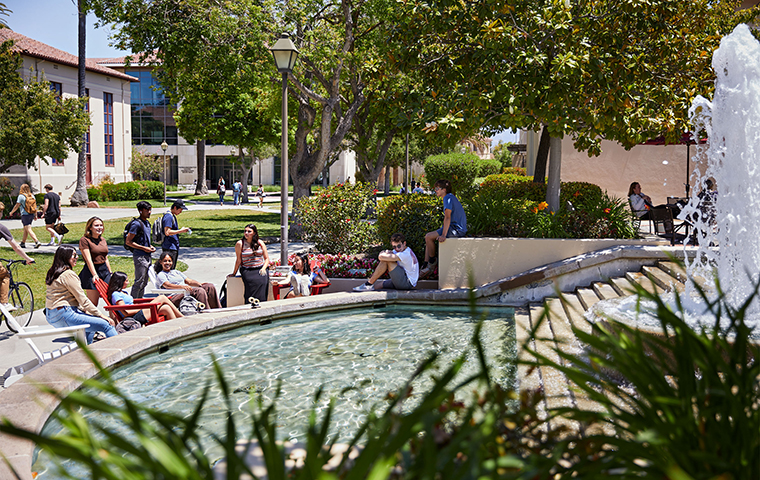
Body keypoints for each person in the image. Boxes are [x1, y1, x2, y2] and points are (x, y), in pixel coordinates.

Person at [45, 245, 117, 344]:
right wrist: (101, 315)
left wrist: (85, 311)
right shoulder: (68, 274)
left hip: (52, 315)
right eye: (73, 255)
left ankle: (87, 354)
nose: (77, 257)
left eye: (76, 255)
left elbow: (69, 297)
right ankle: (123, 354)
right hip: (65, 313)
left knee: (89, 328)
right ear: (65, 257)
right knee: (107, 325)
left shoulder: (54, 272)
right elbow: (83, 299)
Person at [420, 179, 467, 278]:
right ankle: (426, 263)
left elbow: (447, 217)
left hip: (456, 229)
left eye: (437, 188)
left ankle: (432, 264)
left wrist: (443, 235)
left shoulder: (448, 198)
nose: (435, 190)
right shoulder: (450, 197)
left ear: (444, 190)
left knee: (429, 237)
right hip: (453, 227)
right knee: (428, 237)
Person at [107, 271, 183, 324]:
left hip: (138, 312)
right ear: (120, 282)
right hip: (133, 318)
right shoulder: (116, 294)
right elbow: (126, 312)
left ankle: (176, 329)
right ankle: (182, 318)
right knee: (162, 297)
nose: (128, 282)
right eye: (126, 281)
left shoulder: (123, 292)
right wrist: (142, 307)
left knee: (166, 308)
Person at [353, 233, 419, 291]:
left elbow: (381, 257)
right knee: (377, 286)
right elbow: (388, 252)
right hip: (403, 278)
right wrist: (385, 253)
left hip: (406, 283)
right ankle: (368, 286)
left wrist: (383, 253)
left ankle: (369, 283)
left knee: (387, 261)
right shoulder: (402, 250)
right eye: (394, 246)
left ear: (404, 243)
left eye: (398, 246)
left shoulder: (405, 254)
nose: (397, 249)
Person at [0, 202, 35, 312]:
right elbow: (16, 247)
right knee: (5, 275)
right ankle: (4, 303)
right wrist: (27, 258)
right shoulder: (1, 228)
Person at [155, 252, 221, 309]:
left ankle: (217, 310)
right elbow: (167, 285)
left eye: (169, 261)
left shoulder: (176, 272)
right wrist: (182, 287)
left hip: (186, 292)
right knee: (199, 291)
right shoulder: (161, 274)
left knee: (209, 286)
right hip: (174, 297)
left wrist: (200, 284)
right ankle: (205, 311)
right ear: (160, 262)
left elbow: (189, 281)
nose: (167, 263)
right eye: (165, 261)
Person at [229, 224, 270, 304]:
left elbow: (266, 258)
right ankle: (250, 303)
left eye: (249, 231)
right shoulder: (240, 244)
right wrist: (234, 273)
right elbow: (238, 260)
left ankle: (262, 303)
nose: (246, 233)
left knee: (263, 281)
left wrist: (263, 268)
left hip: (260, 268)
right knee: (251, 284)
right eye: (245, 231)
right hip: (247, 269)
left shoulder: (260, 243)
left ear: (254, 233)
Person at [78, 216, 113, 306]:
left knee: (111, 300)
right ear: (90, 227)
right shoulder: (84, 240)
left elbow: (105, 257)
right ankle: (88, 319)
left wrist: (110, 273)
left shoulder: (102, 239)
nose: (99, 227)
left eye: (101, 225)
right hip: (91, 271)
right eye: (96, 225)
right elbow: (88, 259)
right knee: (93, 303)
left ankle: (115, 320)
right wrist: (94, 275)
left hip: (104, 271)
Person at [125, 201, 155, 298]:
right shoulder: (136, 224)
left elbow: (144, 239)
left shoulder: (147, 223)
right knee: (139, 281)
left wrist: (150, 247)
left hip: (147, 255)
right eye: (147, 210)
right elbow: (128, 241)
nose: (149, 212)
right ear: (140, 211)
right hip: (140, 256)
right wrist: (144, 248)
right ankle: (133, 303)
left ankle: (140, 301)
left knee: (144, 282)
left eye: (150, 210)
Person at [8, 184, 41, 249]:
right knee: (26, 229)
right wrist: (36, 215)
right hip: (31, 214)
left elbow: (17, 205)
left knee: (28, 228)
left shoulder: (21, 196)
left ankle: (36, 241)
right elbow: (35, 207)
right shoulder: (32, 196)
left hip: (25, 215)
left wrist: (11, 212)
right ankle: (23, 243)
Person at [161, 200, 190, 269]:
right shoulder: (169, 217)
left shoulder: (172, 216)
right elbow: (167, 232)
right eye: (180, 210)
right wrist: (180, 231)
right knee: (169, 268)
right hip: (169, 247)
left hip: (172, 246)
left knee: (172, 268)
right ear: (175, 207)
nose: (180, 212)